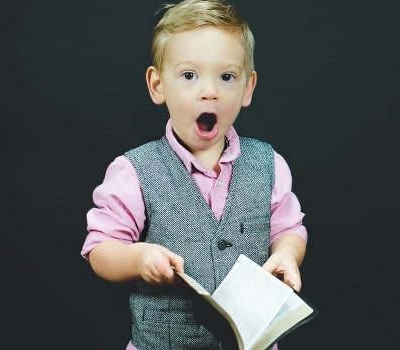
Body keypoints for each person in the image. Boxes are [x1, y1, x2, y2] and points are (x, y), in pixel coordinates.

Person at [80, 0, 308, 349]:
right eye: (189, 75)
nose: (210, 91)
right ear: (158, 86)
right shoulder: (133, 172)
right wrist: (139, 258)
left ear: (247, 88)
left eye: (227, 76)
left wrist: (288, 254)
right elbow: (100, 249)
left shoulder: (269, 164)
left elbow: (289, 229)